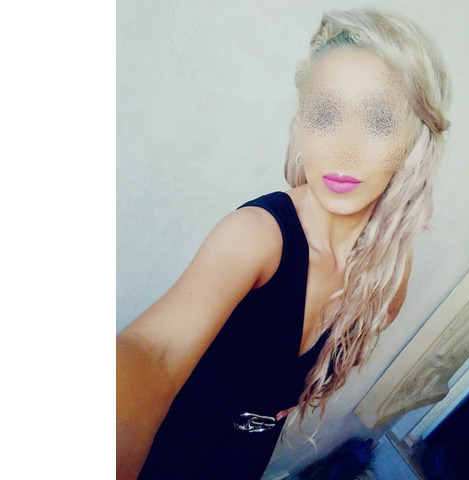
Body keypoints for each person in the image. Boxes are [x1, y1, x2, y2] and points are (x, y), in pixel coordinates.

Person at [117, 7, 450, 480]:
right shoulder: (255, 236)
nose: (344, 148)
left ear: (411, 143)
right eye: (325, 115)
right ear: (300, 128)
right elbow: (154, 353)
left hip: (244, 461)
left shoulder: (389, 275)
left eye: (378, 120)